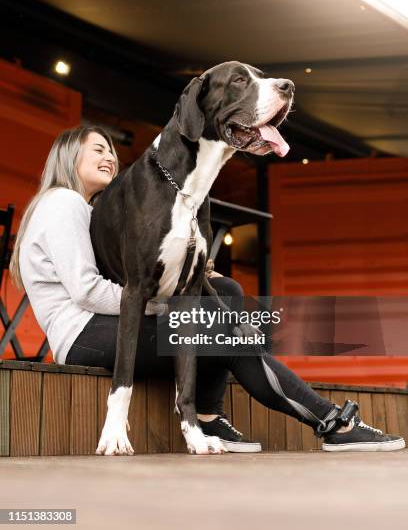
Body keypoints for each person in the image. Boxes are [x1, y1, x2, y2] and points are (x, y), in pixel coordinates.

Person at [10, 125, 405, 454]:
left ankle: (210, 417)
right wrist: (167, 308)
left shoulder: (90, 212)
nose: (110, 156)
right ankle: (330, 422)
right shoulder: (63, 203)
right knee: (229, 333)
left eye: (112, 150)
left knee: (226, 291)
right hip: (83, 334)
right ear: (65, 157)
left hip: (103, 328)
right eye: (97, 149)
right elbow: (87, 292)